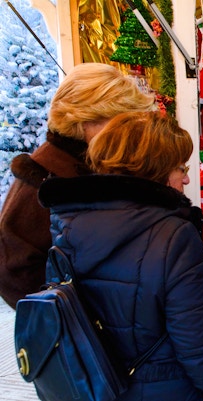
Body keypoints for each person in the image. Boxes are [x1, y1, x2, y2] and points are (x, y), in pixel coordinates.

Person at [37, 111, 203, 401]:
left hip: (95, 386)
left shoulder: (68, 219)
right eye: (179, 168)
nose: (187, 178)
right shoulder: (174, 236)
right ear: (154, 170)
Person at [0, 63, 156, 309]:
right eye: (119, 121)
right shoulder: (43, 181)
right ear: (85, 121)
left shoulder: (84, 166)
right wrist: (76, 315)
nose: (126, 132)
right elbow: (13, 274)